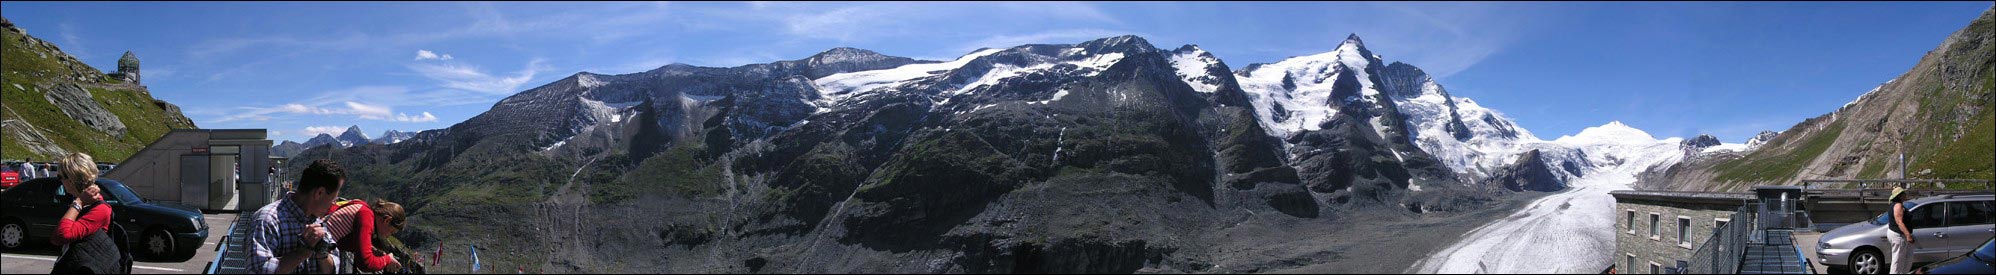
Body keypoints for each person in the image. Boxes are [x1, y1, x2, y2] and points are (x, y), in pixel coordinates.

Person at [249, 159, 346, 274]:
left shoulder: (317, 221)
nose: (334, 203)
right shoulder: (266, 220)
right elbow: (258, 270)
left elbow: (334, 268)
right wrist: (303, 251)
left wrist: (322, 253)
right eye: (334, 197)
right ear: (319, 193)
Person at [49, 152, 130, 273]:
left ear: (71, 179)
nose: (60, 181)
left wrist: (79, 201)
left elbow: (60, 236)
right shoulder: (82, 204)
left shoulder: (99, 209)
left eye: (60, 177)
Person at [321, 198, 407, 273]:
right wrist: (387, 260)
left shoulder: (362, 207)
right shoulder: (366, 217)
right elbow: (365, 263)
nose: (389, 236)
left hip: (318, 245)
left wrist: (372, 251)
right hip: (318, 254)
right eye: (391, 232)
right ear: (387, 220)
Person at [1887, 186, 1916, 274]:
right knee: (1897, 261)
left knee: (1907, 258)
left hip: (1899, 235)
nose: (1905, 195)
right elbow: (1899, 222)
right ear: (1899, 196)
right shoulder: (1898, 205)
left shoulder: (1898, 205)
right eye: (1904, 194)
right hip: (1898, 236)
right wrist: (1908, 235)